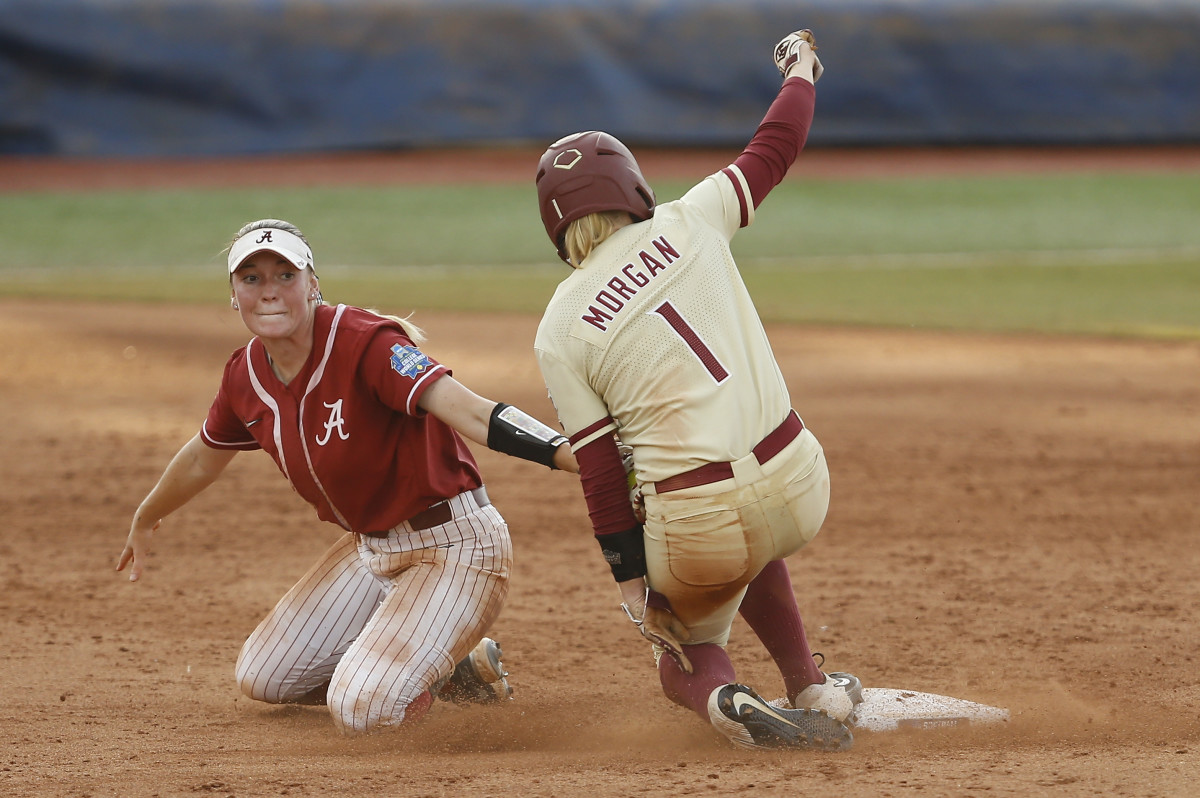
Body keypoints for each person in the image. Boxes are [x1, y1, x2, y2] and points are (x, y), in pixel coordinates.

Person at [531, 30, 862, 751]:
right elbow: (776, 144)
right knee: (754, 529)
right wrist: (801, 71)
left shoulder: (558, 328)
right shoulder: (692, 217)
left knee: (679, 638)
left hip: (698, 530)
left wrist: (630, 584)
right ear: (632, 188)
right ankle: (811, 686)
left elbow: (597, 472)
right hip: (801, 483)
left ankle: (725, 696)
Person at [117, 218, 577, 735]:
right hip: (370, 553)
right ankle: (441, 670)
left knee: (361, 710)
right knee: (262, 678)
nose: (268, 291)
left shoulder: (365, 344)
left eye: (284, 275)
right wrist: (147, 513)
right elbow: (204, 455)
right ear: (234, 295)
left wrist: (572, 454)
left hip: (455, 547)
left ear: (312, 284)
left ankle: (412, 666)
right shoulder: (245, 373)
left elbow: (469, 412)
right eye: (251, 279)